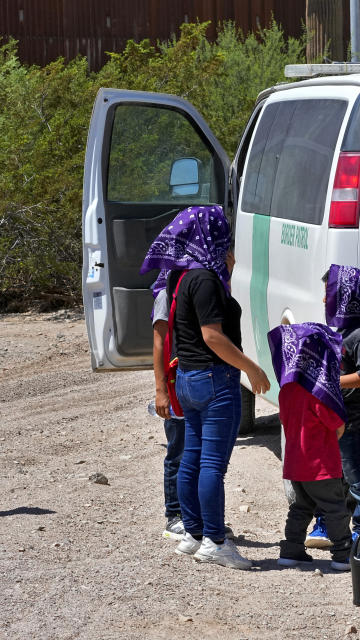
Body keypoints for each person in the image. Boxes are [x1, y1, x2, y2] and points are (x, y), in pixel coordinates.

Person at [140, 205, 270, 570]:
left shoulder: (180, 277)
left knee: (192, 459)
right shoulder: (207, 281)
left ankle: (192, 533)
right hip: (215, 380)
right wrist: (252, 368)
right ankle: (215, 540)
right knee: (212, 465)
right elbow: (213, 336)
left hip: (188, 380)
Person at [304, 264, 360, 546]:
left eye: (329, 292)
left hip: (352, 420)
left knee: (358, 477)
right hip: (333, 418)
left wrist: (332, 381)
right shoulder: (341, 330)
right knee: (331, 476)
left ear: (346, 295)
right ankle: (326, 524)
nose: (325, 299)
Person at [268, 322, 353, 571]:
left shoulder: (287, 389)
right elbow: (336, 425)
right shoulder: (319, 391)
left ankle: (291, 550)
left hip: (295, 463)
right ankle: (343, 553)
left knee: (300, 507)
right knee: (335, 508)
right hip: (320, 464)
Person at [150, 280, 187, 541]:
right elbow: (160, 343)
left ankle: (197, 516)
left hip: (194, 383)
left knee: (197, 454)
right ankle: (174, 516)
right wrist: (160, 390)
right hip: (174, 386)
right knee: (178, 452)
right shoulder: (166, 294)